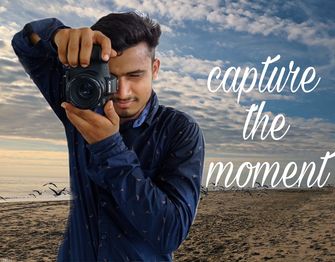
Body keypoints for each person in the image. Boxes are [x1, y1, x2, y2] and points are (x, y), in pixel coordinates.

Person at [12, 11, 205, 262]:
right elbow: (25, 44)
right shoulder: (80, 105)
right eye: (111, 77)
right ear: (92, 72)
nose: (123, 92)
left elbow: (171, 232)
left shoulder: (180, 129)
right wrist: (59, 35)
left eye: (135, 75)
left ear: (154, 69)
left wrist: (109, 147)